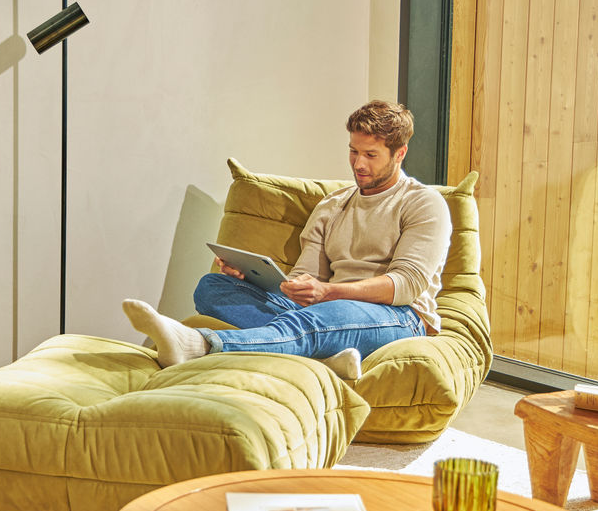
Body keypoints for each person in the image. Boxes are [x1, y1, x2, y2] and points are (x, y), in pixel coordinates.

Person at [123, 100, 452, 380]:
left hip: (397, 316)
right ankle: (324, 356)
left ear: (399, 154)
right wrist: (256, 278)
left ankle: (201, 344)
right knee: (213, 287)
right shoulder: (333, 205)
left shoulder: (423, 203)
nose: (359, 164)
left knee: (327, 317)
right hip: (326, 309)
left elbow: (406, 285)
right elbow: (305, 278)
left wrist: (330, 292)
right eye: (353, 151)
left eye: (371, 154)